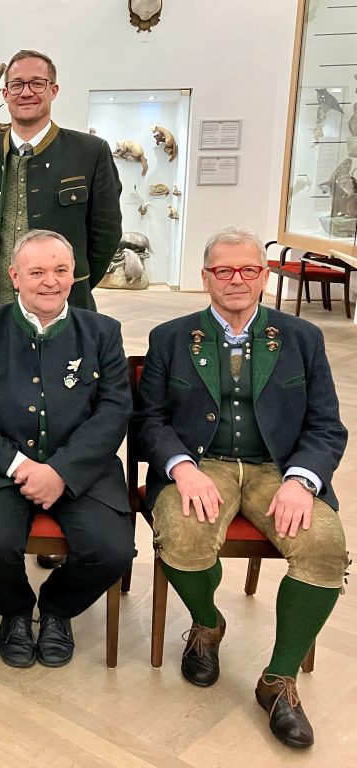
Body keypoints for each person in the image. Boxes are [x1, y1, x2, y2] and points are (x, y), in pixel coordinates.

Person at [132, 226, 348, 749]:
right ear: (205, 277)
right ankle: (207, 624)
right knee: (182, 533)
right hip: (202, 463)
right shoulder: (171, 337)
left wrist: (302, 479)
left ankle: (278, 680)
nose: (236, 279)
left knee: (324, 545)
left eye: (249, 269)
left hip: (279, 468)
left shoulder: (302, 338)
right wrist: (181, 468)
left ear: (264, 276)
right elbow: (149, 420)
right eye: (223, 270)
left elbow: (326, 425)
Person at [0, 229, 135, 668]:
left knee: (113, 550)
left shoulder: (102, 332)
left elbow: (113, 412)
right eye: (37, 272)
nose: (50, 281)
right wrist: (20, 466)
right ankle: (14, 611)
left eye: (60, 270)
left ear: (73, 275)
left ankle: (57, 609)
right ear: (15, 276)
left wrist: (61, 471)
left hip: (84, 469)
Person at [0, 49, 121, 317]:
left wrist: (72, 283)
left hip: (64, 310)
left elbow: (106, 234)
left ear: (53, 90)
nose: (26, 93)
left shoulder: (91, 153)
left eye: (37, 83)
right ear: (5, 94)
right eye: (17, 85)